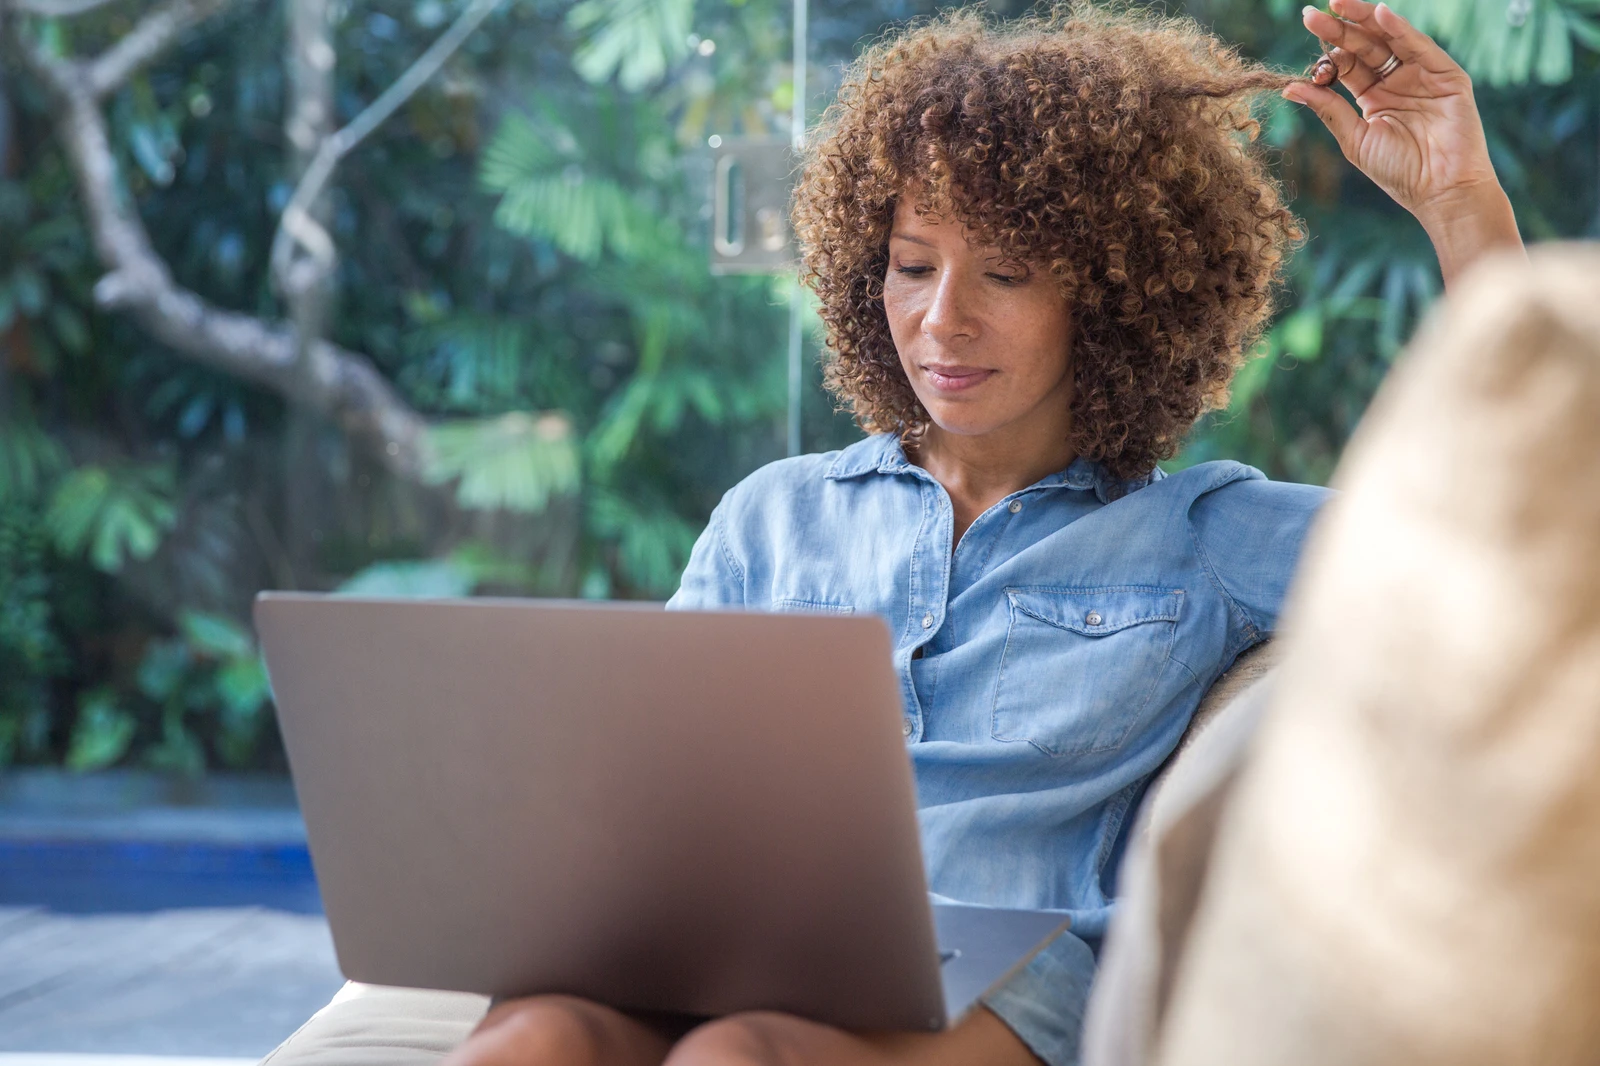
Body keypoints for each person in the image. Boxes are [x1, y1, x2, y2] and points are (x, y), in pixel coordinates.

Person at [442, 2, 1524, 1064]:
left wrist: (1461, 204)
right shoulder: (771, 515)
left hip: (1002, 977)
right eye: (912, 265)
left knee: (743, 1053)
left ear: (1110, 297)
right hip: (745, 939)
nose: (941, 318)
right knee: (533, 1033)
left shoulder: (1207, 535)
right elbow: (649, 787)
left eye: (1006, 272)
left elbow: (1524, 546)